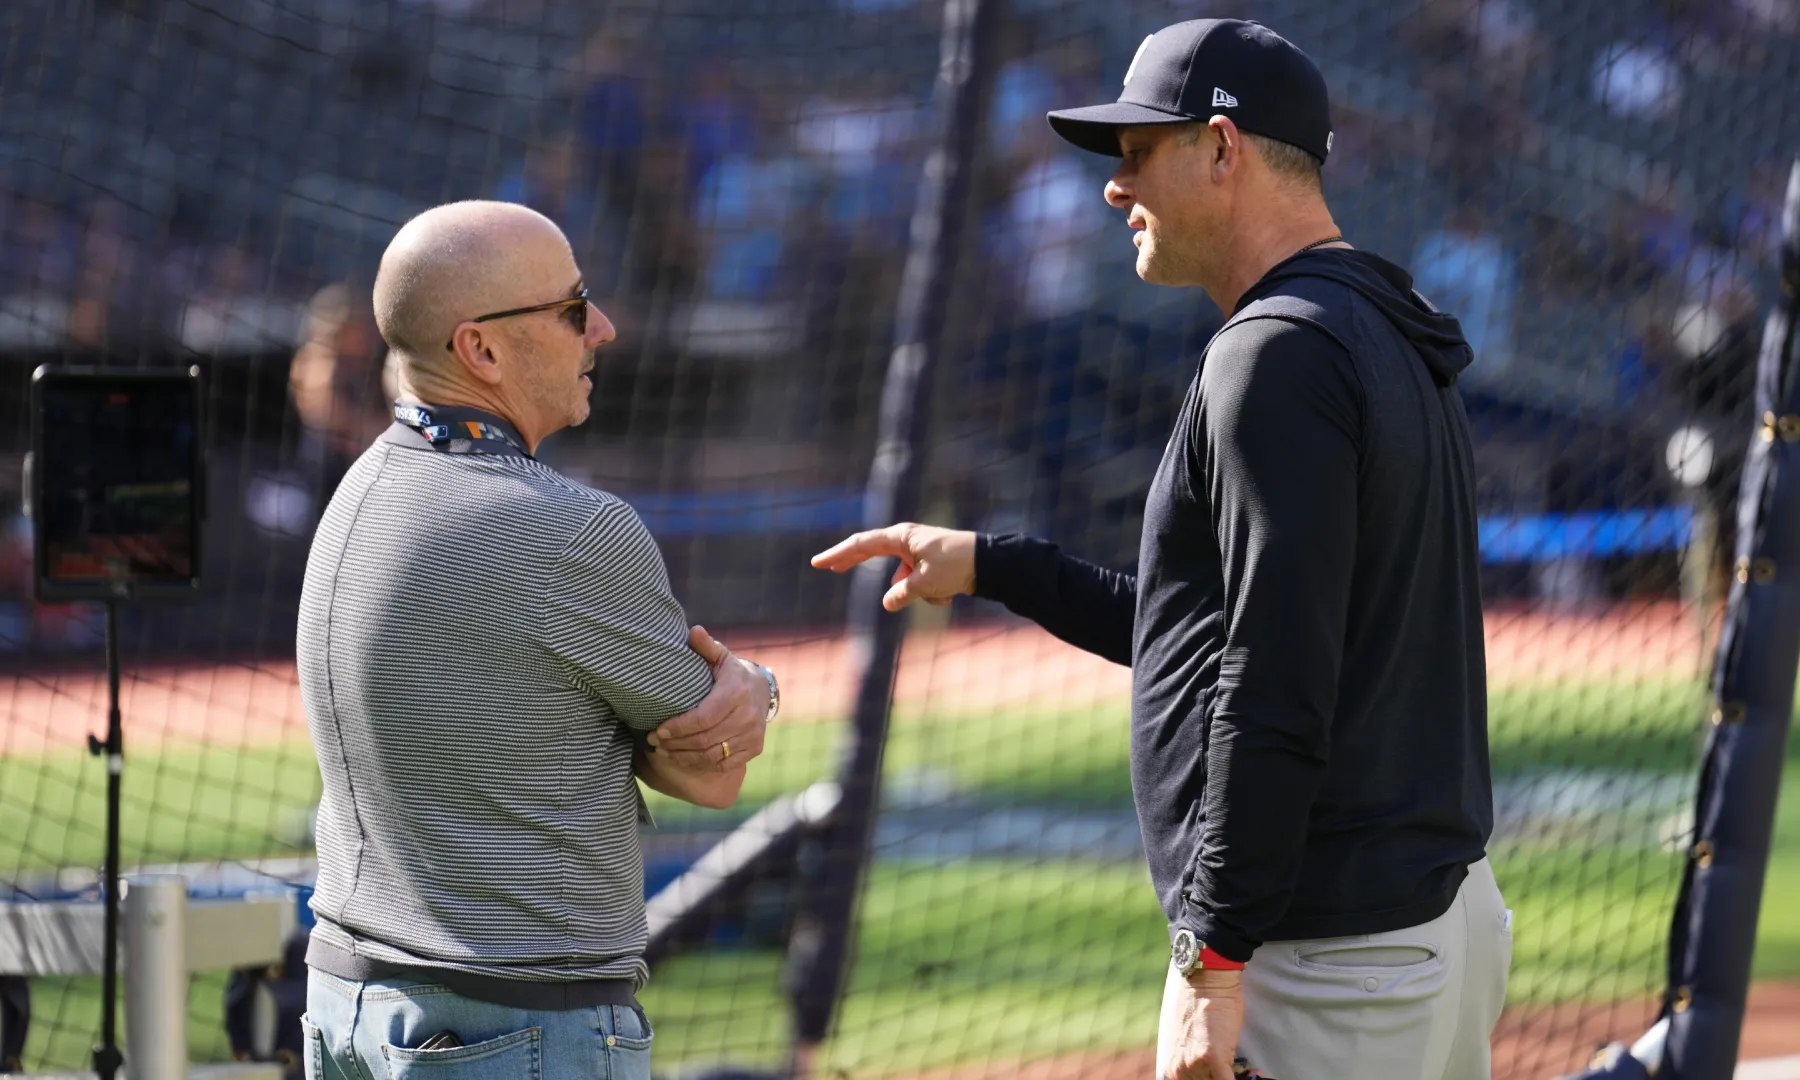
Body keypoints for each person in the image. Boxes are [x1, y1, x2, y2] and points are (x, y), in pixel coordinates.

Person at [813, 21, 1507, 1080]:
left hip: (1327, 959)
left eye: (1138, 152)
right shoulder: (1376, 315)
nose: (1112, 185)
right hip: (1426, 924)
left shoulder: (1275, 356)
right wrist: (995, 565)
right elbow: (1214, 626)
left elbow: (1273, 681)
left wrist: (1211, 958)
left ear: (1223, 149)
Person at [298, 200, 782, 1080]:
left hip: (348, 1001)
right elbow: (715, 772)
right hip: (511, 1029)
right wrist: (754, 684)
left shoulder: (358, 492)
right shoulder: (571, 532)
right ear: (481, 349)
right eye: (571, 308)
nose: (602, 326)